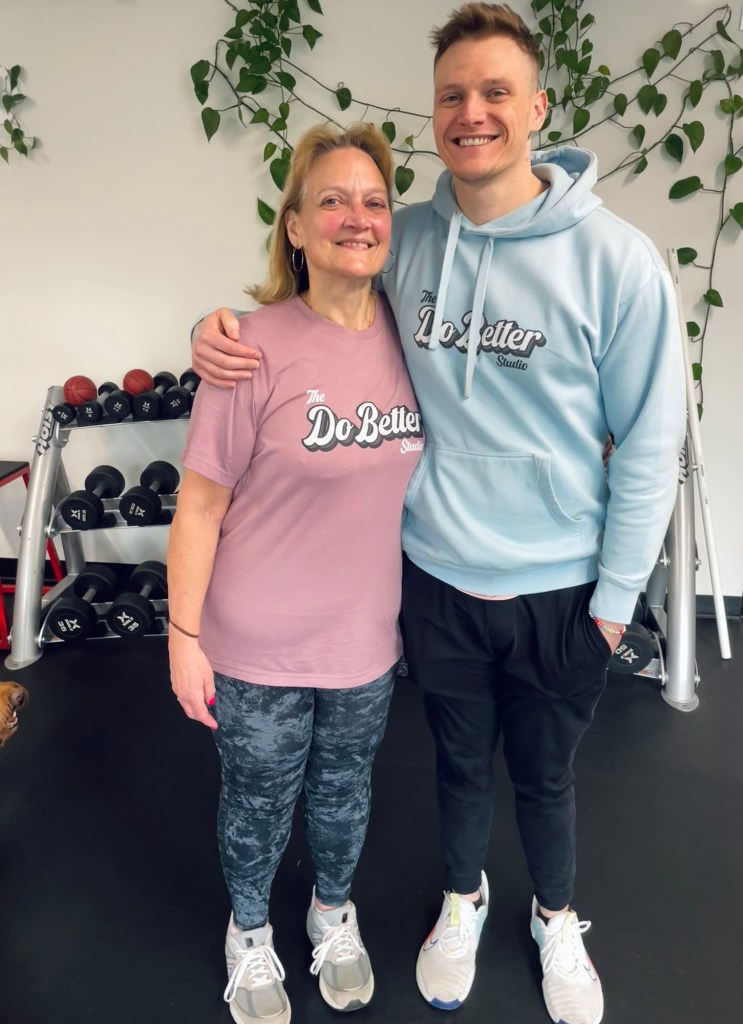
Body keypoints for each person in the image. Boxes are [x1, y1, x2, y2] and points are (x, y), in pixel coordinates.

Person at [190, 5, 687, 1023]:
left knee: (547, 778)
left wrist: (613, 605)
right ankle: (462, 902)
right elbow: (315, 301)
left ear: (537, 108)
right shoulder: (409, 239)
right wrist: (217, 328)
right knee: (456, 765)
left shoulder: (619, 261)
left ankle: (556, 918)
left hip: (562, 586)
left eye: (496, 91)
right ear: (434, 112)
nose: (473, 112)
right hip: (441, 578)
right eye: (453, 94)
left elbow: (648, 446)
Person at [168, 121, 422, 1024]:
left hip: (363, 639)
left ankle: (330, 915)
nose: (357, 216)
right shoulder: (250, 347)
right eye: (332, 200)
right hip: (257, 643)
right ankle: (249, 933)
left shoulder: (413, 338)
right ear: (296, 227)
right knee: (259, 801)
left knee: (345, 794)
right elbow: (199, 506)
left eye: (374, 201)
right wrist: (182, 636)